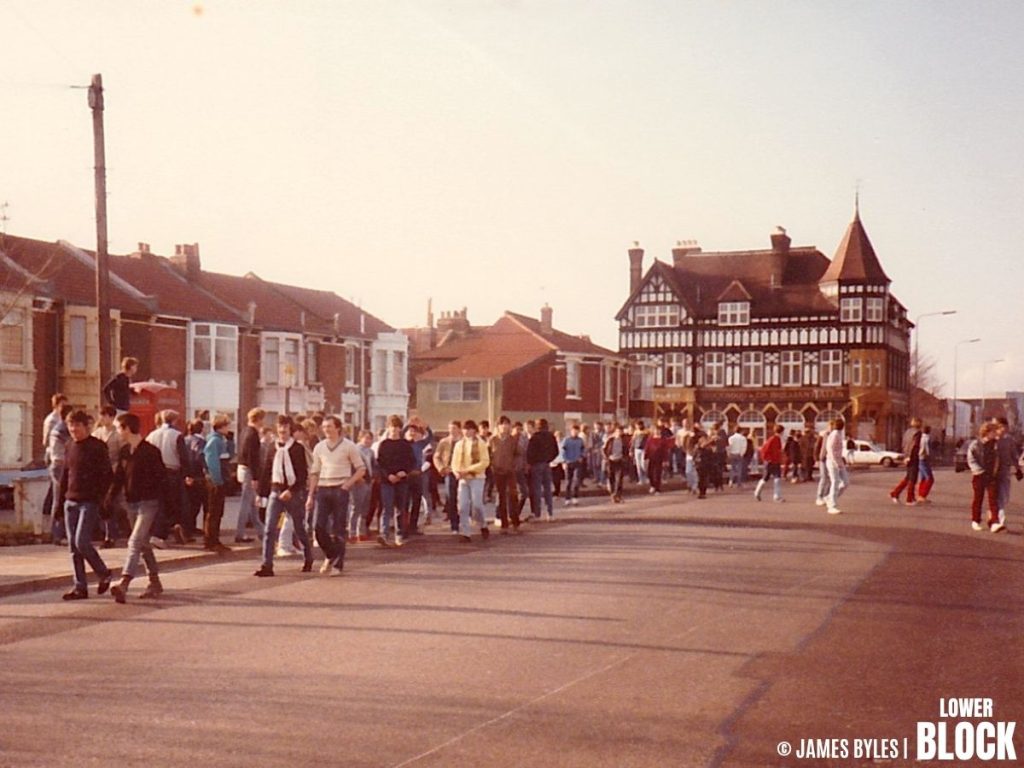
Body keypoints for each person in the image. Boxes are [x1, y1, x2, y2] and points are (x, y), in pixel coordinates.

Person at [107, 413, 166, 603]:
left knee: (134, 541)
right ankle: (155, 582)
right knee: (142, 543)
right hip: (130, 503)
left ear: (126, 428)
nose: (117, 432)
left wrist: (163, 512)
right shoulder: (125, 451)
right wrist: (109, 498)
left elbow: (161, 479)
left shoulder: (151, 452)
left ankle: (124, 583)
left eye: (118, 428)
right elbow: (118, 478)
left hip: (148, 504)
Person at [60, 410, 114, 600]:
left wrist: (101, 498)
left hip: (89, 501)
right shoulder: (69, 446)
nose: (73, 429)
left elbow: (108, 476)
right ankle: (80, 587)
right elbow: (65, 476)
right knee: (73, 549)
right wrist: (59, 504)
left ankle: (103, 572)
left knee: (81, 542)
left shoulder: (97, 447)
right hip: (70, 501)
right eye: (70, 425)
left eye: (77, 425)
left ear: (86, 426)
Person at [305, 415, 365, 575]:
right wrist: (311, 495)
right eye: (324, 427)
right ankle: (331, 554)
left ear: (338, 428)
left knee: (339, 528)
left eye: (329, 426)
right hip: (323, 489)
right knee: (318, 528)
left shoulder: (349, 446)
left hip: (340, 489)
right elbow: (314, 472)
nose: (326, 430)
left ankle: (338, 564)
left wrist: (347, 485)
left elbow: (361, 469)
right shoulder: (319, 447)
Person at [254, 415, 314, 576]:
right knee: (269, 528)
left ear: (290, 430)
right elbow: (266, 471)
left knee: (299, 527)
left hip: (292, 493)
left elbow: (302, 475)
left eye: (285, 428)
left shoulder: (297, 449)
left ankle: (308, 557)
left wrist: (292, 490)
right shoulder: (271, 447)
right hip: (276, 490)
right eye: (280, 428)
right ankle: (267, 565)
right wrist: (261, 493)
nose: (282, 431)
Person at [146, 409, 189, 547]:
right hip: (172, 472)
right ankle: (167, 530)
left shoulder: (152, 435)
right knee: (174, 503)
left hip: (154, 473)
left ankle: (161, 532)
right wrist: (187, 475)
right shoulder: (177, 435)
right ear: (174, 420)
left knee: (159, 504)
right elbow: (183, 457)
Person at [376, 415, 415, 547]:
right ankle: (384, 534)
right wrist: (388, 476)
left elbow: (411, 462)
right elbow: (379, 464)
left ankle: (399, 535)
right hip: (387, 481)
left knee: (400, 508)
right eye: (392, 427)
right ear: (388, 428)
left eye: (397, 427)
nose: (394, 430)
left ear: (400, 429)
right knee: (386, 508)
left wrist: (404, 472)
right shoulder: (384, 444)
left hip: (402, 480)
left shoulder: (405, 445)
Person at [92, 405, 125, 548]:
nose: (102, 418)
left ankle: (112, 534)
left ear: (112, 417)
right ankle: (103, 532)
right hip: (99, 473)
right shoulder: (97, 433)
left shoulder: (117, 434)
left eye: (105, 415)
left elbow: (122, 453)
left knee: (113, 503)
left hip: (113, 471)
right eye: (101, 415)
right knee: (101, 504)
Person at [452, 419, 491, 541]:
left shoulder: (481, 444)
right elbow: (455, 462)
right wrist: (456, 471)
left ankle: (483, 524)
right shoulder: (459, 444)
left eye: (469, 429)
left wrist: (469, 470)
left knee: (477, 504)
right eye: (464, 429)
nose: (466, 432)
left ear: (474, 430)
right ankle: (466, 532)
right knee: (463, 506)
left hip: (477, 477)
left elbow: (485, 462)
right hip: (463, 479)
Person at [202, 414, 232, 553]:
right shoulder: (214, 441)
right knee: (214, 511)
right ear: (221, 427)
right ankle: (210, 540)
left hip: (220, 479)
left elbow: (230, 455)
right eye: (227, 425)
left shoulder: (221, 440)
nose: (229, 428)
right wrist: (217, 480)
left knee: (218, 511)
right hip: (215, 481)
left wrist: (231, 442)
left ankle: (214, 539)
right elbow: (212, 461)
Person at [235, 408, 265, 543]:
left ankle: (261, 532)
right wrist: (255, 477)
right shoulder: (253, 434)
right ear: (258, 419)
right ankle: (239, 533)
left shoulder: (244, 431)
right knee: (246, 503)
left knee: (252, 504)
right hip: (249, 470)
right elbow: (253, 457)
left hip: (241, 467)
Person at [967, 422, 1002, 533]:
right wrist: (979, 470)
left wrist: (996, 471)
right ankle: (975, 520)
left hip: (992, 475)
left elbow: (998, 458)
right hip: (979, 475)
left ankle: (994, 522)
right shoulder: (976, 444)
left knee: (993, 499)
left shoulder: (996, 445)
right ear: (987, 432)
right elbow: (971, 459)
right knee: (978, 498)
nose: (996, 434)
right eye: (993, 431)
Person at [46, 402, 73, 546]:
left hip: (55, 464)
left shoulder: (58, 428)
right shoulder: (63, 430)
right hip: (60, 465)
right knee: (60, 499)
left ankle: (58, 533)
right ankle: (57, 534)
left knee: (59, 499)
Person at [489, 416, 522, 533]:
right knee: (501, 497)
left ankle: (516, 522)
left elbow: (519, 454)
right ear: (498, 426)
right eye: (502, 424)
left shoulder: (513, 440)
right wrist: (492, 466)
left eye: (507, 424)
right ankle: (504, 524)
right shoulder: (492, 440)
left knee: (513, 496)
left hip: (510, 472)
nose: (505, 426)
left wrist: (515, 465)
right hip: (497, 472)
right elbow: (488, 455)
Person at [433, 421, 462, 534]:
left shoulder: (463, 442)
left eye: (454, 428)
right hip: (449, 472)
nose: (452, 430)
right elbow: (437, 456)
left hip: (462, 472)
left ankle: (464, 520)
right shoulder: (444, 442)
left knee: (463, 499)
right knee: (451, 498)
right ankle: (454, 524)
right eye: (450, 428)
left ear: (459, 429)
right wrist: (441, 468)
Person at [527, 418, 559, 520]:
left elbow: (529, 453)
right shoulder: (551, 436)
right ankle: (550, 513)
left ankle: (537, 514)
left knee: (537, 490)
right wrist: (549, 459)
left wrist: (531, 462)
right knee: (548, 489)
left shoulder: (534, 437)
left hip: (536, 465)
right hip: (546, 464)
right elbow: (556, 451)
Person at [349, 430, 377, 541]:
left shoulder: (370, 452)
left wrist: (374, 476)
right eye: (366, 438)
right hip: (358, 482)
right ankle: (352, 532)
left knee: (365, 508)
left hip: (368, 482)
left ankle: (361, 531)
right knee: (355, 507)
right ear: (360, 438)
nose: (368, 441)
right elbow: (351, 465)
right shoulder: (355, 450)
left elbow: (374, 465)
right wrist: (356, 477)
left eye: (370, 438)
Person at [182, 419, 207, 542]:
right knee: (196, 503)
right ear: (201, 429)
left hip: (184, 474)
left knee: (187, 502)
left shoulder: (184, 440)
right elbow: (200, 458)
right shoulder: (201, 442)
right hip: (197, 475)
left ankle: (188, 527)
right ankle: (190, 528)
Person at [993, 418, 1020, 526]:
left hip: (1005, 471)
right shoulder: (992, 440)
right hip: (992, 473)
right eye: (999, 427)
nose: (1002, 429)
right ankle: (999, 516)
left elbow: (1014, 455)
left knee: (1004, 496)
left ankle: (998, 513)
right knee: (995, 496)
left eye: (1004, 427)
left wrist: (1018, 469)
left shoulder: (1009, 440)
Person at [890, 418, 923, 506]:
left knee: (908, 477)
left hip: (907, 456)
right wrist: (911, 456)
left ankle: (896, 493)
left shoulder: (907, 432)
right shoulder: (918, 433)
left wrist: (905, 456)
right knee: (912, 478)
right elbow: (914, 445)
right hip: (913, 457)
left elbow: (904, 444)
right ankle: (909, 499)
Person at [823, 417, 848, 515]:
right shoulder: (834, 435)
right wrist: (835, 462)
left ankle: (829, 498)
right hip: (833, 461)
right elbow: (830, 449)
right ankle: (832, 505)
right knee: (835, 482)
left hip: (839, 461)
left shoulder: (838, 434)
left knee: (846, 482)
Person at [754, 424, 785, 503]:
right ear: (781, 432)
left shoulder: (774, 439)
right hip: (772, 461)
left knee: (770, 478)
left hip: (774, 461)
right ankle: (776, 496)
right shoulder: (774, 439)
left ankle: (758, 492)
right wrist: (767, 459)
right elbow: (764, 450)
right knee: (773, 478)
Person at [602, 423, 629, 503]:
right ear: (615, 431)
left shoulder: (623, 440)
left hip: (619, 460)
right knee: (611, 478)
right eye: (618, 431)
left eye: (621, 432)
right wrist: (606, 458)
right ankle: (613, 494)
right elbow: (604, 449)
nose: (619, 433)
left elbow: (626, 450)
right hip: (611, 461)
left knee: (619, 479)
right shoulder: (610, 440)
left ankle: (618, 495)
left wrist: (625, 458)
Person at [562, 423, 587, 503]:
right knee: (568, 481)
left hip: (577, 462)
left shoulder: (580, 440)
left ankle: (575, 497)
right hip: (568, 462)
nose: (575, 433)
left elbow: (583, 450)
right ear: (571, 431)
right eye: (573, 431)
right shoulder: (566, 440)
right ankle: (567, 498)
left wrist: (581, 457)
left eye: (577, 431)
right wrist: (564, 461)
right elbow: (563, 451)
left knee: (576, 480)